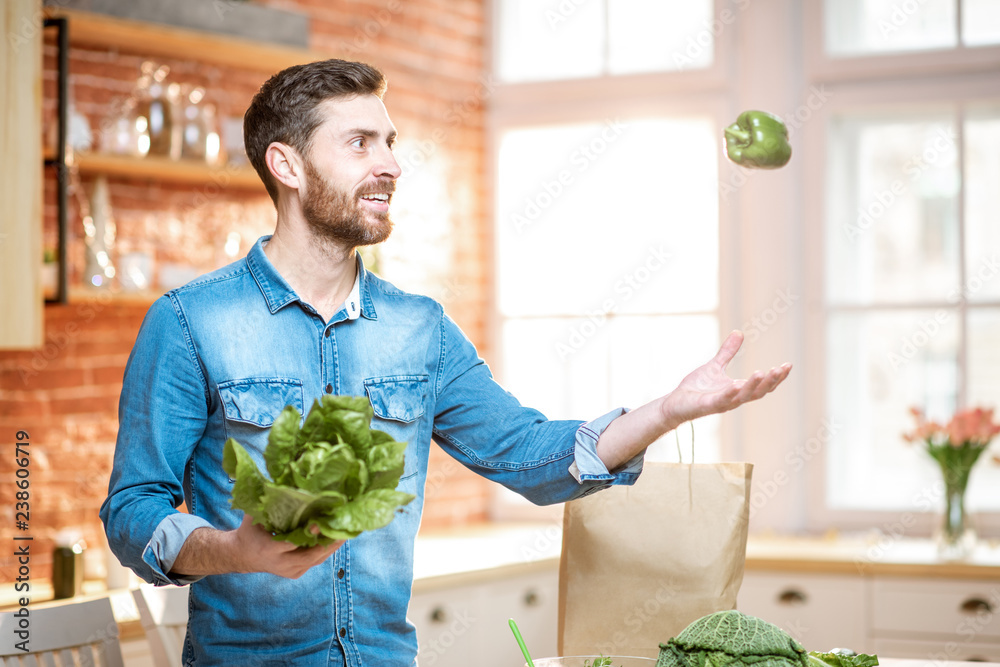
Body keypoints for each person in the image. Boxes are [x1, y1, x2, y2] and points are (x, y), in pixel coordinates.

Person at [100, 58, 791, 666]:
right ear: (287, 165)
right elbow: (133, 509)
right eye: (361, 143)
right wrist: (233, 550)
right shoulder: (192, 321)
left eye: (391, 143)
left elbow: (529, 453)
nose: (392, 165)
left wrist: (666, 410)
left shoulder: (418, 328)